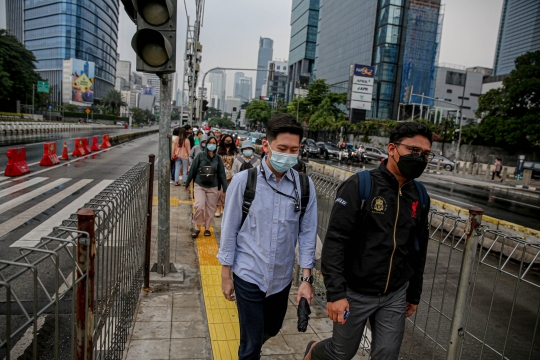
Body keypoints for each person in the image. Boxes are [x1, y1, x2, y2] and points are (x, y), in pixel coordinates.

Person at [304, 122, 433, 360]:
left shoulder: (420, 195)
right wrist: (336, 293)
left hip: (395, 293)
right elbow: (336, 242)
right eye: (413, 151)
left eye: (425, 154)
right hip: (355, 291)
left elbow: (418, 247)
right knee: (341, 353)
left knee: (387, 354)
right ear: (392, 149)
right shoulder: (360, 185)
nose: (420, 158)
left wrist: (414, 293)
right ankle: (313, 351)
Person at [218, 114, 317, 360]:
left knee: (271, 328)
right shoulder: (244, 181)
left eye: (294, 150)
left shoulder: (304, 187)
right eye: (282, 148)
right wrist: (225, 275)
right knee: (251, 345)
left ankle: (251, 344)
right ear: (266, 146)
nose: (288, 154)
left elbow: (307, 234)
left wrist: (306, 278)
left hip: (281, 279)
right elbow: (229, 229)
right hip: (248, 274)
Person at [185, 136, 227, 238]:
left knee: (210, 209)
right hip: (200, 184)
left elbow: (222, 174)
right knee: (199, 206)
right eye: (210, 142)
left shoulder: (218, 158)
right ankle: (197, 227)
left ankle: (207, 228)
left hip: (213, 186)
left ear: (216, 145)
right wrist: (187, 183)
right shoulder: (200, 156)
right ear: (206, 144)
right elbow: (192, 170)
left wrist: (224, 188)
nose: (211, 145)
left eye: (214, 143)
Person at [216, 134, 238, 217]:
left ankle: (224, 207)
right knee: (220, 192)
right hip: (220, 174)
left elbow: (237, 162)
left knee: (228, 192)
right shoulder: (219, 150)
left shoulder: (235, 151)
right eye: (226, 140)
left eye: (230, 141)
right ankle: (218, 207)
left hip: (231, 175)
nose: (228, 142)